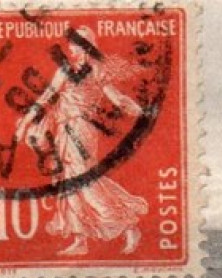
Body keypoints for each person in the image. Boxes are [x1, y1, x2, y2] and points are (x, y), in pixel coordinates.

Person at [13, 28, 148, 256]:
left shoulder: (90, 71)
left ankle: (126, 224)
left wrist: (141, 112)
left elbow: (116, 99)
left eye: (75, 45)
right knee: (69, 181)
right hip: (65, 130)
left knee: (83, 180)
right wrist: (25, 122)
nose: (70, 49)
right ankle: (80, 239)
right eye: (71, 45)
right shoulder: (78, 70)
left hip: (80, 130)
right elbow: (47, 97)